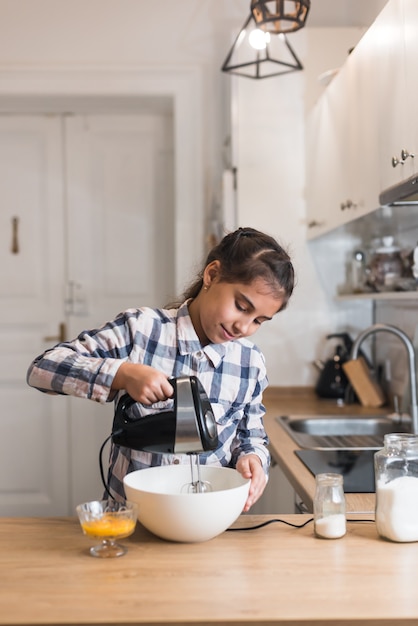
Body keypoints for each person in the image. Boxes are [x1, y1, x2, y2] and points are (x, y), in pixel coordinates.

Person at [27, 226, 294, 512]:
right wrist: (122, 374)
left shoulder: (249, 364)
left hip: (208, 522)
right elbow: (42, 369)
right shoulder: (140, 330)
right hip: (133, 522)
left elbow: (250, 436)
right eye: (241, 306)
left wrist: (253, 458)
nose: (244, 327)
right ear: (212, 275)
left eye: (259, 321)